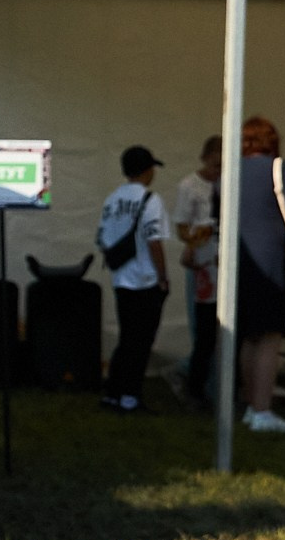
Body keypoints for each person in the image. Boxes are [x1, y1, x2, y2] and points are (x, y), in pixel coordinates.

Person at [236, 114, 285, 437]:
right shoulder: (281, 168)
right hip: (270, 263)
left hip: (239, 266)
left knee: (249, 337)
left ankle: (252, 405)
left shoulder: (230, 173)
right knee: (269, 338)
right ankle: (263, 410)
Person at [95, 145, 170, 414]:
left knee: (127, 339)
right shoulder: (151, 200)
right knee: (141, 342)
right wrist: (163, 277)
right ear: (147, 170)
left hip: (121, 279)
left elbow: (102, 238)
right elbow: (154, 242)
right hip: (146, 280)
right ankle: (130, 396)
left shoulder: (112, 199)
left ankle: (113, 393)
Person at [173, 136, 222, 404]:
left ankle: (220, 385)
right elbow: (181, 226)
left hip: (224, 261)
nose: (218, 171)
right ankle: (195, 384)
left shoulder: (230, 183)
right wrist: (194, 242)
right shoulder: (190, 186)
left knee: (223, 331)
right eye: (215, 165)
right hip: (202, 263)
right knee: (202, 330)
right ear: (204, 159)